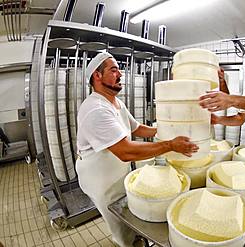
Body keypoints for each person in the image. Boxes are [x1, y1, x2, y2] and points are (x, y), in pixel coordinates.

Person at [75, 52, 198, 247]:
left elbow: (138, 129)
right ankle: (125, 243)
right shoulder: (96, 109)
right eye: (113, 70)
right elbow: (125, 151)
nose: (120, 74)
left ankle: (133, 239)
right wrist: (170, 145)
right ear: (97, 76)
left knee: (128, 215)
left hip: (115, 171)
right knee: (118, 224)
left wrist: (168, 129)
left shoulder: (115, 102)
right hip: (100, 179)